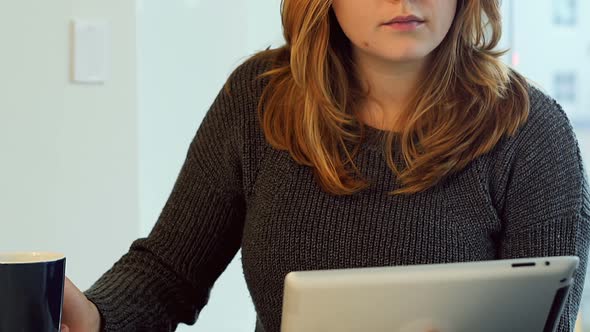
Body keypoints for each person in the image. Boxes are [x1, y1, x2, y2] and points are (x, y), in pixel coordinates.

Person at [60, 0, 590, 331]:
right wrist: (95, 316)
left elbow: (548, 318)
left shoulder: (530, 131)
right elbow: (168, 273)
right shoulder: (258, 99)